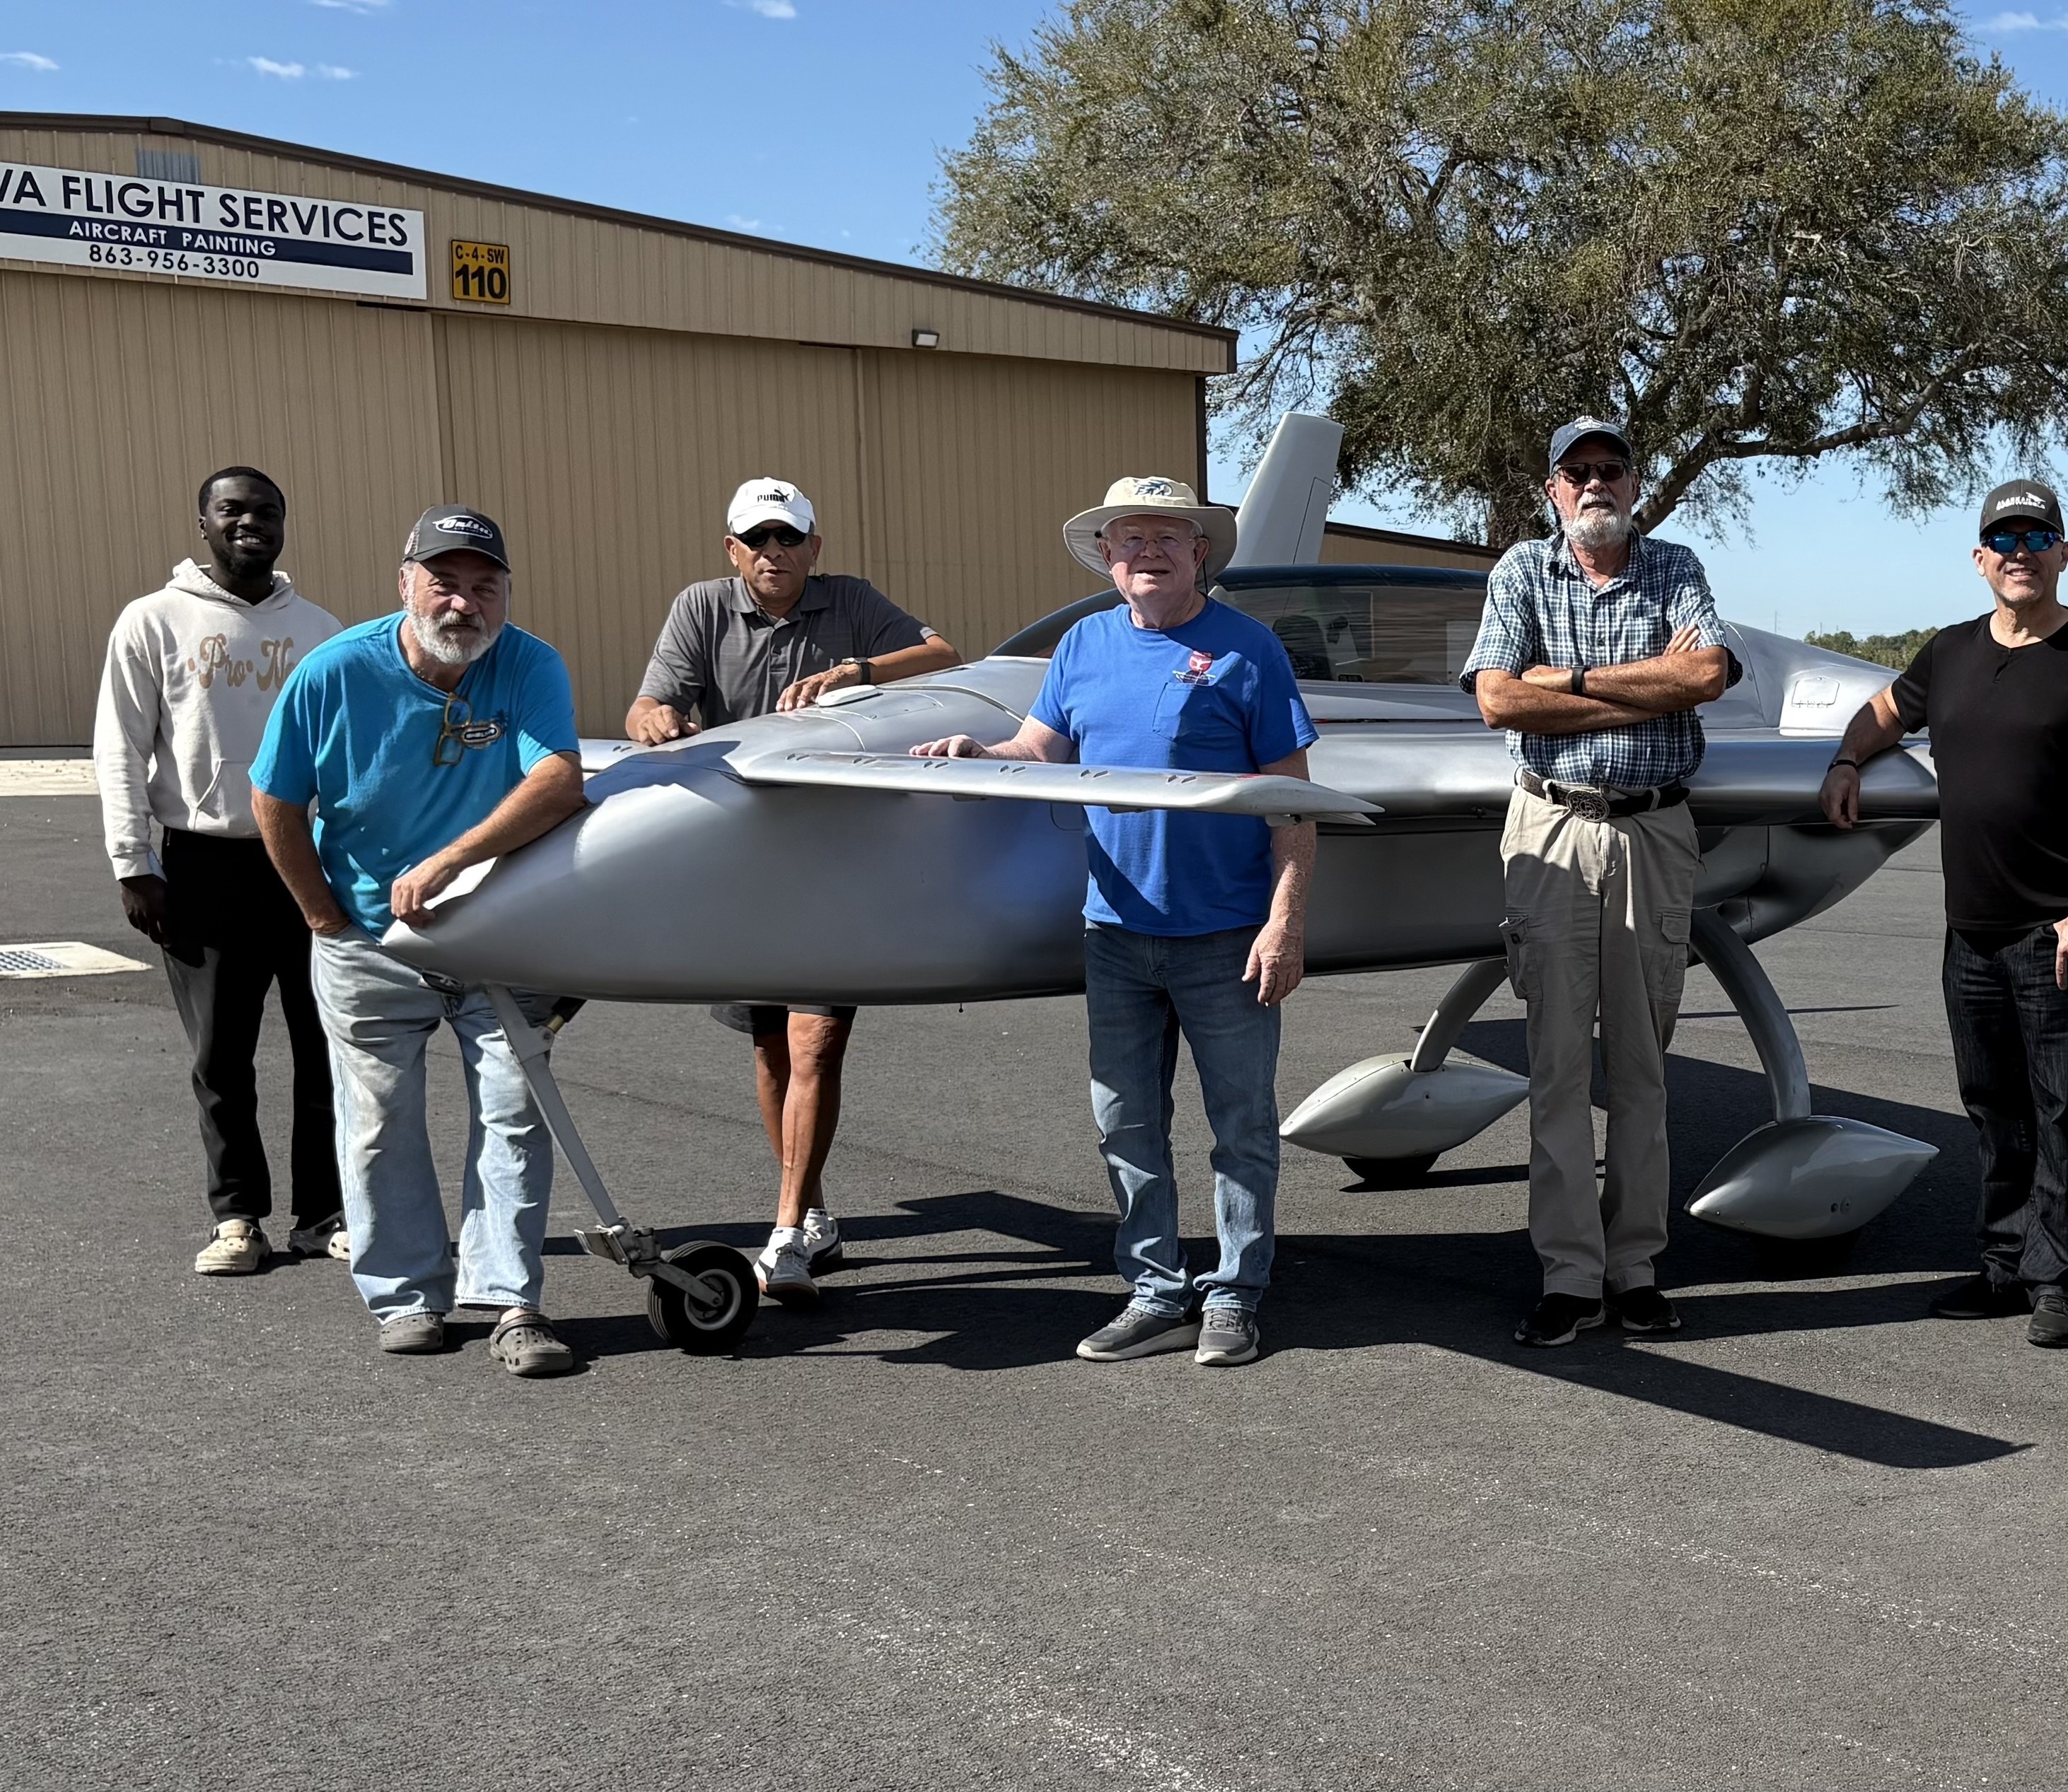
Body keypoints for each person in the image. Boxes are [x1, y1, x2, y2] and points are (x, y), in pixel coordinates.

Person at [913, 475, 1315, 1371]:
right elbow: (1040, 749)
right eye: (1130, 539)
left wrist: (1284, 922)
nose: (1148, 553)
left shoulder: (1249, 650)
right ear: (1106, 555)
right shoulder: (1082, 645)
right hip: (1116, 931)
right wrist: (980, 753)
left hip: (1224, 934)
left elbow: (1293, 803)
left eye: (1168, 537)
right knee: (1125, 1121)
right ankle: (1155, 1291)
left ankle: (1237, 1293)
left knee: (1240, 1123)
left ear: (1200, 552)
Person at [249, 507, 590, 1375]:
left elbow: (557, 779)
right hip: (367, 937)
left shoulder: (529, 663)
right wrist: (324, 917)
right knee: (376, 1123)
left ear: (506, 593)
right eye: (443, 581)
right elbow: (275, 802)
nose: (464, 602)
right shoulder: (331, 672)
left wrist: (452, 859)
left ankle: (510, 1300)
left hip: (497, 933)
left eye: (485, 586)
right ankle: (406, 1296)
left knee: (517, 1109)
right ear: (404, 582)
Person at [1822, 477, 2068, 1347]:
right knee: (1991, 1105)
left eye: (2037, 539)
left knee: (2063, 1110)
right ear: (1980, 559)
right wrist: (1846, 760)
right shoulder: (1951, 651)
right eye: (2004, 541)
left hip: (2058, 931)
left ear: (2063, 554)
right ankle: (2004, 1264)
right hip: (1969, 929)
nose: (2020, 554)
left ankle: (2062, 1277)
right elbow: (1885, 711)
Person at [625, 477, 961, 1303]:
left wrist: (856, 668)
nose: (774, 554)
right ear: (732, 551)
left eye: (789, 540)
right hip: (745, 860)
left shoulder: (849, 601)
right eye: (758, 541)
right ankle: (810, 1207)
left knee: (816, 1042)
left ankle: (783, 1237)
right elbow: (647, 703)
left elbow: (944, 653)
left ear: (816, 548)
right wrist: (655, 722)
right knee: (770, 1046)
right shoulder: (701, 607)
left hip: (835, 858)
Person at [1461, 418, 1736, 1349]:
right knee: (1556, 1064)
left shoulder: (1675, 567)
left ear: (1634, 481)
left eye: (1609, 470)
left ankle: (1636, 1265)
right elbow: (1498, 695)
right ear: (1552, 489)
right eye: (1576, 472)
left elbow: (1702, 672)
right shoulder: (1520, 572)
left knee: (1642, 1060)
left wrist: (1568, 676)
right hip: (1549, 825)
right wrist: (1635, 680)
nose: (1594, 485)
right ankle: (1569, 1273)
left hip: (1652, 829)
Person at [95, 467, 345, 1276]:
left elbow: (345, 757)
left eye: (266, 511)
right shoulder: (153, 620)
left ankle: (325, 1211)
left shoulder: (319, 630)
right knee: (220, 1054)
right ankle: (238, 1217)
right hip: (202, 863)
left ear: (283, 523)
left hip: (306, 864)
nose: (250, 523)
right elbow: (120, 749)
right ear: (201, 521)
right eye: (231, 510)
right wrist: (134, 863)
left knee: (327, 1045)